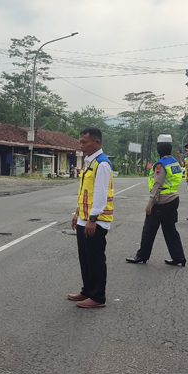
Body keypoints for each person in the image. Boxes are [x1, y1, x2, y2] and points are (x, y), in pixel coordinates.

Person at [69, 127, 114, 309]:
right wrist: (77, 213)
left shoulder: (102, 164)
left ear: (97, 142)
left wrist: (93, 219)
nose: (81, 145)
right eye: (80, 141)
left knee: (95, 259)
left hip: (96, 220)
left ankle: (97, 297)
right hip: (84, 217)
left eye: (84, 142)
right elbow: (85, 192)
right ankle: (87, 290)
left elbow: (101, 193)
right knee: (85, 258)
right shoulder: (90, 162)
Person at [126, 134, 186, 266]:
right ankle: (179, 257)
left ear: (159, 148)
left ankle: (142, 256)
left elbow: (157, 184)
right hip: (173, 199)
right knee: (170, 229)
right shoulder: (174, 162)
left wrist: (150, 202)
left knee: (149, 229)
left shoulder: (160, 165)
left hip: (161, 201)